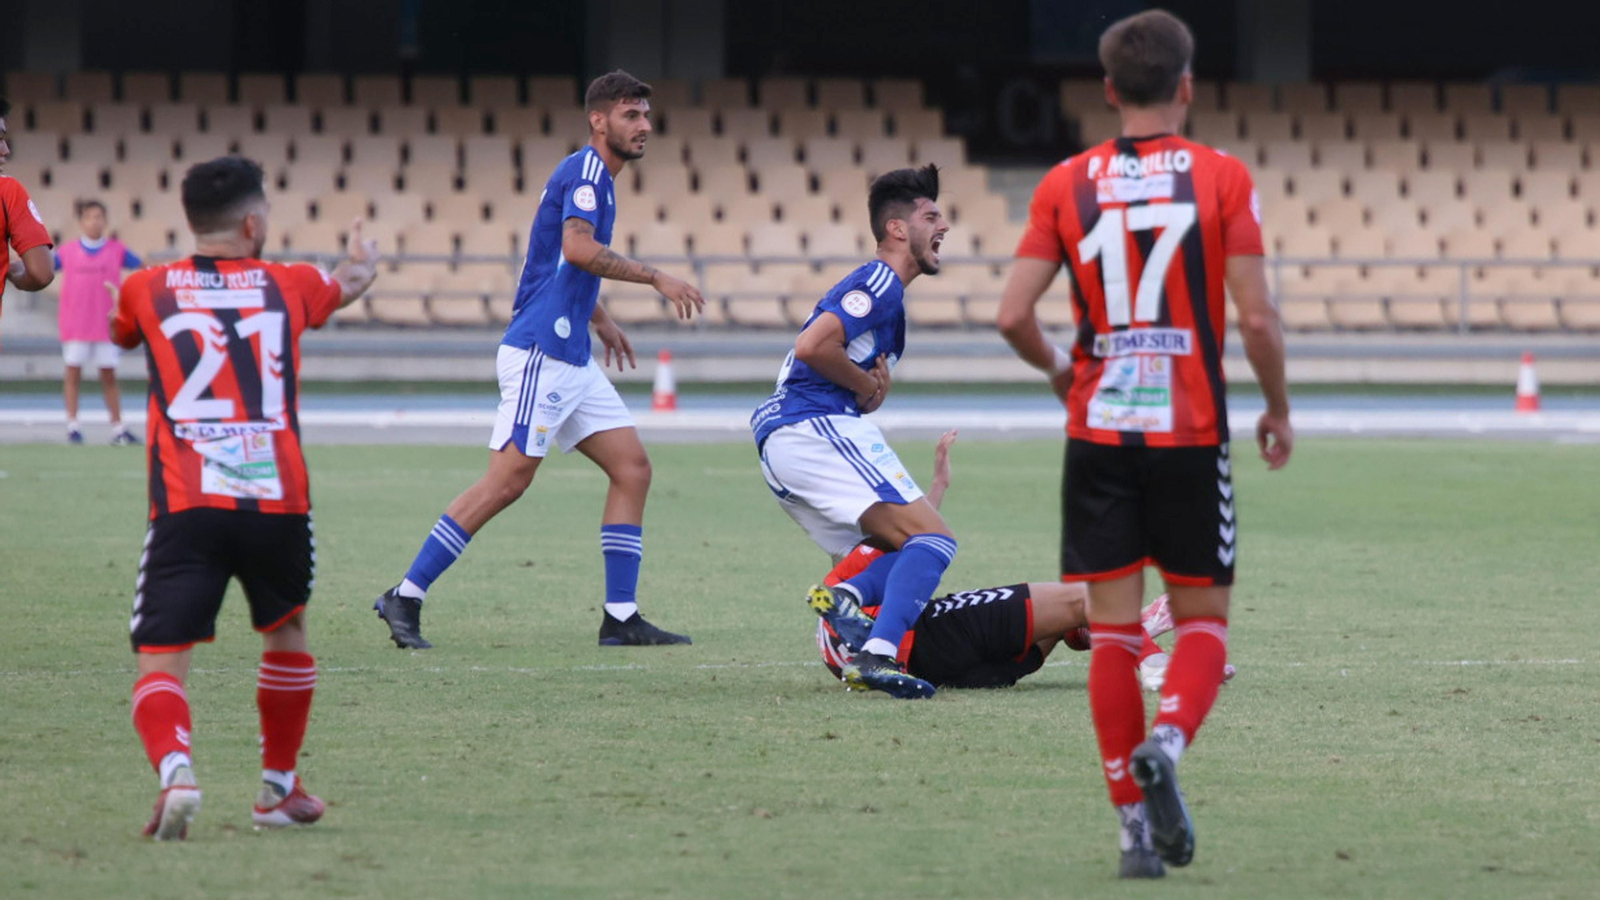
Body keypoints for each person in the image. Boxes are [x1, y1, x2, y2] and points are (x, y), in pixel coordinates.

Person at [996, 10, 1293, 879]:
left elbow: (1011, 314)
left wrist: (1060, 369)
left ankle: (1132, 833)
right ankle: (1170, 738)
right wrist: (1277, 408)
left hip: (1097, 432)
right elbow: (1258, 318)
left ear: (1109, 91)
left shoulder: (1065, 183)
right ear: (1189, 87)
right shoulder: (1222, 178)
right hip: (1191, 434)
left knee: (1117, 640)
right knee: (1202, 624)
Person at [373, 70, 704, 650]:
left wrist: (599, 320)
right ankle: (405, 594)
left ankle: (620, 617)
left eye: (647, 114)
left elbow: (562, 261)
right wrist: (655, 277)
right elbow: (578, 248)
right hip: (539, 353)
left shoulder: (599, 179)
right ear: (598, 120)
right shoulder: (585, 173)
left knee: (632, 469)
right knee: (507, 482)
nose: (645, 125)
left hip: (571, 354)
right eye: (631, 114)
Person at [109, 156, 379, 840]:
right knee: (285, 631)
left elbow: (123, 332)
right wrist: (359, 263)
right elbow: (341, 286)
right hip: (278, 500)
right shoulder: (289, 284)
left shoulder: (145, 286)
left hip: (187, 501)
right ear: (254, 222)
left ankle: (176, 769)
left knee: (161, 654)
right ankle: (277, 789)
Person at [751, 163, 954, 700]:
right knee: (933, 538)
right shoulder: (880, 281)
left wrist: (867, 393)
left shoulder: (892, 306)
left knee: (889, 548)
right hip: (811, 424)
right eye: (931, 215)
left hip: (789, 439)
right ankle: (874, 650)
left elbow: (844, 372)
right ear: (896, 229)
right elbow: (814, 348)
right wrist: (864, 387)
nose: (945, 226)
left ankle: (852, 617)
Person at [810, 432, 1196, 691]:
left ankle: (1107, 630)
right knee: (1082, 597)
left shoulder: (857, 548)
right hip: (931, 636)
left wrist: (939, 486)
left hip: (935, 669)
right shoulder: (868, 545)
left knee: (1057, 623)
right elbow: (914, 535)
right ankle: (1155, 664)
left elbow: (910, 535)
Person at [56, 199, 144, 445]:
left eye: (98, 217)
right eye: (89, 217)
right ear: (81, 221)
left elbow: (142, 269)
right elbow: (43, 271)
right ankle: (72, 426)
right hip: (76, 324)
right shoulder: (67, 251)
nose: (94, 221)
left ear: (105, 220)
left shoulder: (118, 250)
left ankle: (118, 428)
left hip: (106, 325)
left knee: (109, 375)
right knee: (73, 373)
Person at [1, 97, 57, 333]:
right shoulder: (7, 191)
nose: (6, 150)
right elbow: (41, 274)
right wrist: (14, 272)